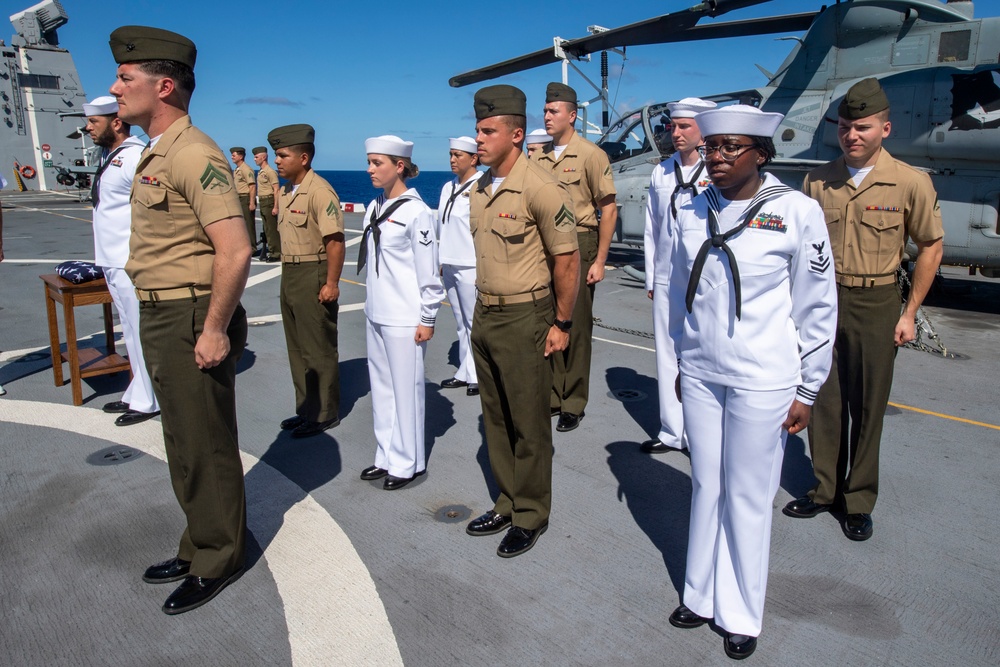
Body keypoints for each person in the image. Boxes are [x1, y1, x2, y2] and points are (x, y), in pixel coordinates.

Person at [665, 105, 837, 660]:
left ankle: (740, 612)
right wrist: (678, 366)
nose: (714, 157)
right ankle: (701, 593)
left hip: (763, 378)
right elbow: (676, 295)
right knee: (706, 486)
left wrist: (808, 388)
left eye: (729, 148)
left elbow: (816, 306)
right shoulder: (691, 208)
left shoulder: (795, 211)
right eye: (712, 147)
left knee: (747, 495)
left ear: (761, 154)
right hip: (701, 372)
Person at [109, 25, 252, 615]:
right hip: (164, 310)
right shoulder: (158, 150)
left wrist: (215, 328)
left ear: (163, 85)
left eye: (126, 77)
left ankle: (218, 556)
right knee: (183, 440)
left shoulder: (194, 153)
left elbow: (236, 248)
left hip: (191, 311)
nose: (115, 87)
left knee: (206, 442)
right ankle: (197, 543)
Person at [783, 78, 944, 541]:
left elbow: (931, 245)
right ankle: (825, 489)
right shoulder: (818, 181)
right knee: (823, 398)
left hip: (876, 302)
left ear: (885, 129)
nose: (853, 135)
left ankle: (859, 499)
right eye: (847, 127)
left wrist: (909, 311)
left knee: (868, 406)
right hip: (824, 300)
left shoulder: (910, 182)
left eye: (864, 127)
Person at [464, 85, 580, 558]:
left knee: (529, 422)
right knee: (496, 416)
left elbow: (567, 261)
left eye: (488, 131)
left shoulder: (541, 187)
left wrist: (562, 323)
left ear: (515, 134)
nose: (479, 139)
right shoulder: (482, 186)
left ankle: (530, 513)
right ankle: (507, 500)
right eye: (477, 130)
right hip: (485, 313)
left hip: (526, 316)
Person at [359, 135, 444, 490]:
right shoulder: (374, 206)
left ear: (399, 166)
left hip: (405, 316)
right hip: (376, 312)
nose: (369, 170)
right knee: (381, 388)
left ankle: (408, 462)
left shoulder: (417, 213)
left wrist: (427, 318)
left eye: (377, 163)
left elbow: (429, 272)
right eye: (369, 162)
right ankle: (386, 455)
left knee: (406, 390)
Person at [534, 82, 617, 432]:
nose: (547, 116)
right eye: (545, 110)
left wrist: (599, 260)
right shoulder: (536, 157)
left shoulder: (591, 155)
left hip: (579, 244)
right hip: (542, 248)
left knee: (576, 325)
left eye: (554, 111)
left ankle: (573, 401)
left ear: (572, 115)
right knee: (547, 321)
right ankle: (553, 395)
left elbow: (608, 209)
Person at [640, 97, 715, 454]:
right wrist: (652, 276)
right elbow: (652, 228)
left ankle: (703, 433)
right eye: (673, 126)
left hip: (706, 277)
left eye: (685, 126)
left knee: (703, 352)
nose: (676, 133)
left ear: (703, 129)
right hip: (668, 275)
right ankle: (672, 431)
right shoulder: (662, 171)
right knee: (668, 351)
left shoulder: (717, 169)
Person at [83, 95, 160, 427]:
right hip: (113, 260)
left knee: (141, 331)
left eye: (93, 122)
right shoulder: (111, 156)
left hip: (131, 261)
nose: (87, 128)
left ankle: (150, 399)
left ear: (116, 123)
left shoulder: (133, 158)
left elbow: (151, 210)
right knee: (129, 330)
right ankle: (137, 390)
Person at [270, 124, 345, 439]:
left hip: (313, 272)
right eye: (276, 155)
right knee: (298, 348)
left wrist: (331, 282)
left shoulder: (319, 191)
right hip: (290, 273)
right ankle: (306, 409)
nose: (277, 161)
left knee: (318, 348)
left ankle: (324, 413)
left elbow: (335, 242)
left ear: (303, 157)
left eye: (283, 155)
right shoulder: (287, 191)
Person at [436, 136, 480, 397]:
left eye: (458, 155)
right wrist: (441, 259)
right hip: (450, 263)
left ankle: (476, 374)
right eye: (451, 154)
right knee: (460, 322)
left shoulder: (481, 185)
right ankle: (464, 371)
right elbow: (443, 225)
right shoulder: (447, 187)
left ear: (474, 158)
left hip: (470, 264)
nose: (453, 159)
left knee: (474, 322)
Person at [252, 146, 281, 262]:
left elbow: (276, 190)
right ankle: (272, 250)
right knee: (267, 228)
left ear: (263, 157)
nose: (254, 159)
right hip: (263, 201)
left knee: (271, 229)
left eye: (256, 157)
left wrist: (276, 206)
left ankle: (276, 253)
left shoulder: (270, 172)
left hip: (269, 201)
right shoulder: (261, 172)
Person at [230, 146, 258, 249]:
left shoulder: (246, 169)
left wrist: (251, 202)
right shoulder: (238, 169)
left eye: (234, 155)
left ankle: (252, 247)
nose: (231, 157)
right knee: (241, 224)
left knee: (248, 224)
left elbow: (252, 186)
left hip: (245, 198)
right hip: (239, 198)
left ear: (240, 156)